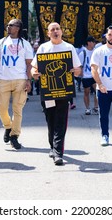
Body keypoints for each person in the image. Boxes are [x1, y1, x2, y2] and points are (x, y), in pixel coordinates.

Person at [31, 22, 81, 165]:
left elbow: (78, 69)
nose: (55, 31)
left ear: (61, 31)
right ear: (48, 34)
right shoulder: (43, 48)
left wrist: (75, 71)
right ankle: (52, 147)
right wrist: (34, 73)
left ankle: (58, 153)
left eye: (57, 29)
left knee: (60, 121)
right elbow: (33, 68)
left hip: (64, 92)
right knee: (50, 121)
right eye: (52, 30)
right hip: (47, 92)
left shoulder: (69, 48)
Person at [0, 19, 33, 149]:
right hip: (3, 80)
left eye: (11, 25)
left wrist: (29, 80)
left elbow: (29, 64)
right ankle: (8, 126)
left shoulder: (25, 44)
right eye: (8, 25)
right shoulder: (2, 42)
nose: (8, 27)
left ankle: (14, 136)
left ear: (18, 28)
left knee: (17, 109)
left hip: (20, 80)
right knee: (1, 107)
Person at [79, 36, 98, 115]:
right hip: (86, 75)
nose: (94, 44)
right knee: (86, 92)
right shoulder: (83, 52)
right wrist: (81, 73)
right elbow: (80, 64)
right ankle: (87, 108)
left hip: (95, 74)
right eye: (93, 42)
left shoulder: (96, 52)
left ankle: (96, 107)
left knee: (97, 91)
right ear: (89, 43)